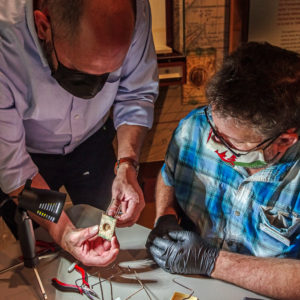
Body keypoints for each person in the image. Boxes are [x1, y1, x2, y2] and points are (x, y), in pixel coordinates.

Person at [0, 0, 158, 266]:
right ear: (43, 25)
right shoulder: (5, 40)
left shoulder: (133, 9)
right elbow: (13, 169)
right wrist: (62, 232)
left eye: (110, 74)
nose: (94, 91)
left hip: (93, 142)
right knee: (39, 251)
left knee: (107, 233)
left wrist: (126, 165)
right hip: (27, 151)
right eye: (78, 73)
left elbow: (136, 94)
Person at [146, 42, 300, 299]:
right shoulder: (194, 128)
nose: (211, 141)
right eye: (212, 123)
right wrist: (165, 215)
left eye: (231, 142)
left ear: (284, 140)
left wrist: (211, 261)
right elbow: (169, 175)